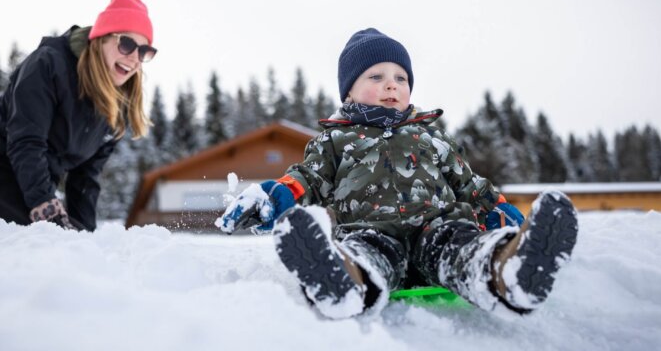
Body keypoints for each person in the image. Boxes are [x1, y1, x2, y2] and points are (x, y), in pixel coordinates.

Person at [218, 28, 578, 319]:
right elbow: (306, 178)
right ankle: (343, 279)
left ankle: (508, 268)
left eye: (401, 77)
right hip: (371, 231)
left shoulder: (430, 135)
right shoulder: (335, 140)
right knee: (365, 253)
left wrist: (501, 211)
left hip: (438, 228)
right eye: (376, 76)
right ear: (349, 92)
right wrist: (271, 198)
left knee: (462, 246)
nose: (392, 84)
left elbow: (468, 184)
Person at [0, 0, 156, 231]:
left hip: (22, 186)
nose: (135, 57)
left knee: (77, 241)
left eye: (144, 51)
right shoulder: (49, 65)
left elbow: (85, 180)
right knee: (61, 241)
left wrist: (90, 239)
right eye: (126, 44)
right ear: (101, 39)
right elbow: (26, 141)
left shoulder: (114, 108)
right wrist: (43, 203)